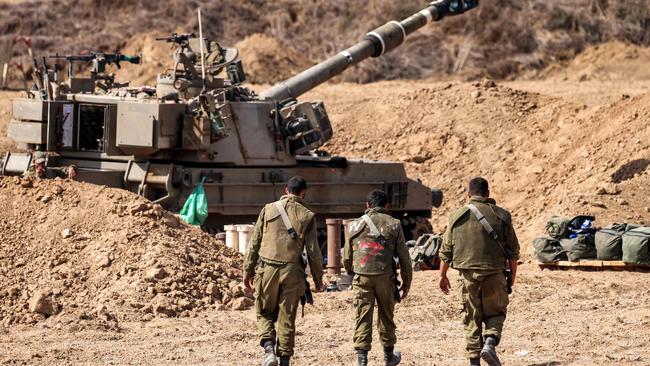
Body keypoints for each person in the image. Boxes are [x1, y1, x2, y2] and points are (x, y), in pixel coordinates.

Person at [438, 177, 520, 366]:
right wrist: (512, 275)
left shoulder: (455, 216)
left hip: (467, 277)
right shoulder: (502, 215)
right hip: (495, 274)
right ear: (488, 194)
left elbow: (446, 251)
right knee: (496, 313)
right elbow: (513, 252)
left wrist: (442, 276)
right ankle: (490, 343)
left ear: (468, 194)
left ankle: (474, 362)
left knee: (470, 317)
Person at [243, 176, 323, 366]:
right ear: (303, 193)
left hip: (267, 269)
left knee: (264, 311)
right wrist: (318, 281)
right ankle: (285, 360)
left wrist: (247, 272)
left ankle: (269, 350)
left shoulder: (268, 209)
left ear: (286, 190)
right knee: (287, 316)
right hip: (293, 271)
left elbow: (254, 243)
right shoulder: (308, 215)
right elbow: (314, 253)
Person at [344, 190, 412, 366]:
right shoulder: (394, 224)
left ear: (368, 205)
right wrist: (406, 282)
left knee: (362, 316)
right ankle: (389, 357)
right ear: (386, 206)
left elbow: (346, 257)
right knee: (386, 316)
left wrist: (353, 273)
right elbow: (405, 258)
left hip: (362, 276)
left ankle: (362, 359)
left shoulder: (353, 225)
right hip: (385, 278)